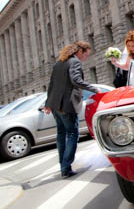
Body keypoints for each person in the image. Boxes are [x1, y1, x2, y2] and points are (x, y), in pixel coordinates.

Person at [43, 41, 100, 178]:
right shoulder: (74, 62)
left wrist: (48, 103)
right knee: (73, 134)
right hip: (67, 105)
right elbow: (76, 80)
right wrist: (93, 88)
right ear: (80, 51)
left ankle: (63, 165)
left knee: (61, 134)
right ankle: (66, 167)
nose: (85, 58)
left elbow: (51, 85)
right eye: (86, 55)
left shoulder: (58, 63)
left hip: (56, 105)